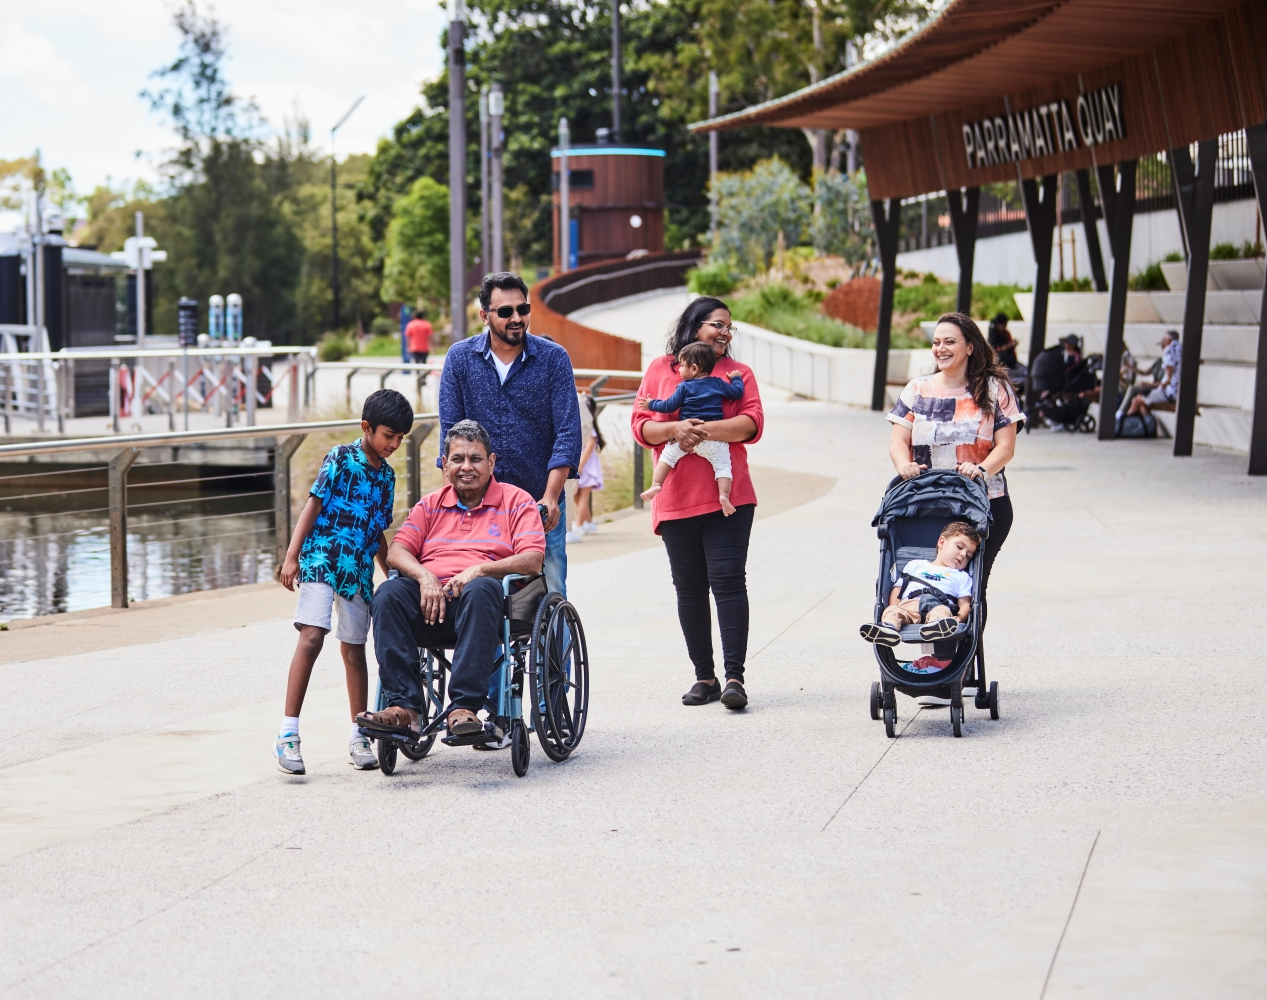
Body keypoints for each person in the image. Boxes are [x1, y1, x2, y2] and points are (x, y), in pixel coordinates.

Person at [358, 420, 545, 741]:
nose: (466, 467)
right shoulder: (430, 505)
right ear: (445, 465)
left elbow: (533, 559)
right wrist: (423, 575)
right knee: (388, 593)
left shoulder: (517, 501)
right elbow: (397, 551)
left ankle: (464, 708)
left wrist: (480, 570)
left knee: (482, 587)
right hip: (429, 605)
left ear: (492, 462)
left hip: (486, 608)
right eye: (457, 459)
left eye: (475, 458)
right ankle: (405, 709)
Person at [631, 296, 764, 711]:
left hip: (729, 498)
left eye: (729, 327)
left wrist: (701, 431)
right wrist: (675, 428)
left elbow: (751, 424)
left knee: (728, 583)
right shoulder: (660, 369)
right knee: (689, 589)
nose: (725, 333)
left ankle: (734, 678)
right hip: (676, 499)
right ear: (694, 326)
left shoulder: (738, 373)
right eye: (717, 325)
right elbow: (641, 425)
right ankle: (703, 677)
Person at [275, 388, 413, 775]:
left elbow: (378, 531)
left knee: (354, 650)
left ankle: (359, 733)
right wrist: (291, 556)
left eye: (401, 438)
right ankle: (288, 734)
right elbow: (313, 505)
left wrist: (394, 577)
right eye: (389, 436)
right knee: (312, 636)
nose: (395, 444)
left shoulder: (387, 477)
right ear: (366, 428)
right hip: (321, 560)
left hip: (357, 572)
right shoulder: (340, 458)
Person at [888, 312, 1022, 682]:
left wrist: (981, 469)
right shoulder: (918, 388)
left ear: (969, 346)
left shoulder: (994, 389)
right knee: (930, 580)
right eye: (936, 342)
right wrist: (904, 466)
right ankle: (937, 667)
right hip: (928, 507)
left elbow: (1005, 447)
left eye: (949, 341)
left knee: (967, 585)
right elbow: (899, 439)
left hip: (983, 506)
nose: (941, 348)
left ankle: (954, 668)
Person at [439, 272, 580, 597]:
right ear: (484, 315)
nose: (517, 318)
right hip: (479, 506)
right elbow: (450, 437)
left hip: (540, 506)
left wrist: (550, 495)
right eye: (505, 311)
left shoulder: (553, 359)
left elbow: (568, 432)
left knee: (552, 590)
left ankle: (556, 648)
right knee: (483, 595)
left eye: (523, 309)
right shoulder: (460, 359)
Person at [638, 341, 746, 515]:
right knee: (723, 466)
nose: (679, 370)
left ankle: (656, 485)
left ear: (694, 368)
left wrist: (651, 404)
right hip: (713, 439)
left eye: (682, 365)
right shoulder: (718, 383)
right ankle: (724, 495)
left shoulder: (684, 387)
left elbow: (668, 405)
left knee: (667, 458)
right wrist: (736, 378)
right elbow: (736, 393)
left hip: (686, 436)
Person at [860, 521, 979, 646]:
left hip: (939, 605)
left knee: (942, 612)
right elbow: (898, 590)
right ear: (942, 542)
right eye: (959, 547)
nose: (963, 555)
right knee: (893, 612)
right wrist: (894, 606)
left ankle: (936, 627)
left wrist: (959, 618)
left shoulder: (961, 576)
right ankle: (888, 628)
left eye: (968, 556)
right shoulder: (915, 565)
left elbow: (965, 604)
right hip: (910, 605)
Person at [567, 391, 605, 543]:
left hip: (585, 466)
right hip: (581, 464)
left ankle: (579, 524)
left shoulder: (589, 430)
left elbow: (589, 448)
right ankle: (588, 523)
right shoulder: (585, 426)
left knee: (582, 497)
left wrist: (580, 465)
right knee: (578, 497)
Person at [1120, 330, 1181, 417]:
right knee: (1142, 404)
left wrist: (1149, 384)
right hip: (1176, 392)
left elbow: (1168, 379)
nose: (1162, 345)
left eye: (1163, 340)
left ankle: (1122, 422)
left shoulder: (1169, 352)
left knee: (1136, 401)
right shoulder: (1180, 349)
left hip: (1170, 393)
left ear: (1168, 340)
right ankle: (1146, 427)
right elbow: (1144, 373)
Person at [987, 313, 1027, 388]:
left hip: (1010, 360)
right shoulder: (993, 334)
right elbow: (995, 349)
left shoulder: (1006, 333)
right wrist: (1008, 346)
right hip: (1002, 361)